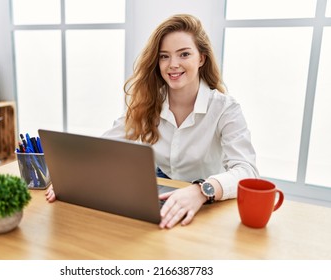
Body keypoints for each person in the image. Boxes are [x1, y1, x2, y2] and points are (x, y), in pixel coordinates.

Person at [45, 14, 259, 229]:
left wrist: (201, 190)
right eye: (164, 56)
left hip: (208, 199)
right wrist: (75, 177)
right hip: (162, 191)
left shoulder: (225, 108)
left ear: (201, 58)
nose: (173, 65)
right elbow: (106, 147)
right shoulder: (148, 101)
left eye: (184, 54)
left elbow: (247, 171)